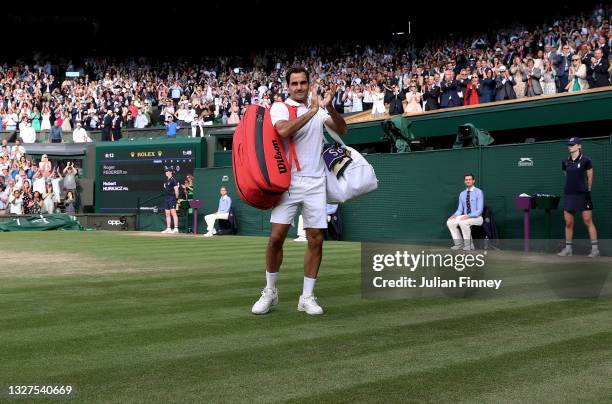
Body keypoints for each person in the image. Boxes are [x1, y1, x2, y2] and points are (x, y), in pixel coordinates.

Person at [251, 66, 347, 316]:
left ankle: (307, 296)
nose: (299, 87)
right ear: (288, 86)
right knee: (276, 238)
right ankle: (270, 292)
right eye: (294, 83)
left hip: (316, 182)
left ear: (308, 83)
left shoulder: (318, 107)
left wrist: (331, 107)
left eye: (303, 83)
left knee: (316, 238)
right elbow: (283, 130)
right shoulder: (280, 107)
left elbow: (342, 130)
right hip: (288, 183)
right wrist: (314, 111)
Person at [558, 137, 599, 258]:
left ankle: (595, 249)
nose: (570, 146)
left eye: (572, 144)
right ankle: (568, 249)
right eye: (569, 145)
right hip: (569, 195)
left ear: (579, 146)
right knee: (569, 222)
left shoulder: (586, 160)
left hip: (583, 195)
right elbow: (567, 175)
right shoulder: (565, 162)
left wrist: (588, 190)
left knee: (587, 221)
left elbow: (590, 177)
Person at [446, 174, 484, 251]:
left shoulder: (478, 192)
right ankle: (459, 244)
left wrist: (469, 216)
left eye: (470, 179)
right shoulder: (462, 194)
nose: (468, 181)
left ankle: (469, 245)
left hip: (477, 218)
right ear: (464, 181)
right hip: (465, 216)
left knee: (463, 222)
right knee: (450, 222)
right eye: (466, 180)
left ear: (473, 181)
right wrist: (454, 215)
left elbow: (479, 210)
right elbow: (460, 210)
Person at [161, 168, 180, 234]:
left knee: (173, 213)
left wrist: (176, 199)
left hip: (172, 198)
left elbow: (176, 190)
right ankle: (168, 228)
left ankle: (176, 228)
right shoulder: (167, 180)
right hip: (167, 198)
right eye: (165, 171)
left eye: (167, 171)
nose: (165, 172)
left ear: (170, 172)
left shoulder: (173, 180)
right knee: (167, 213)